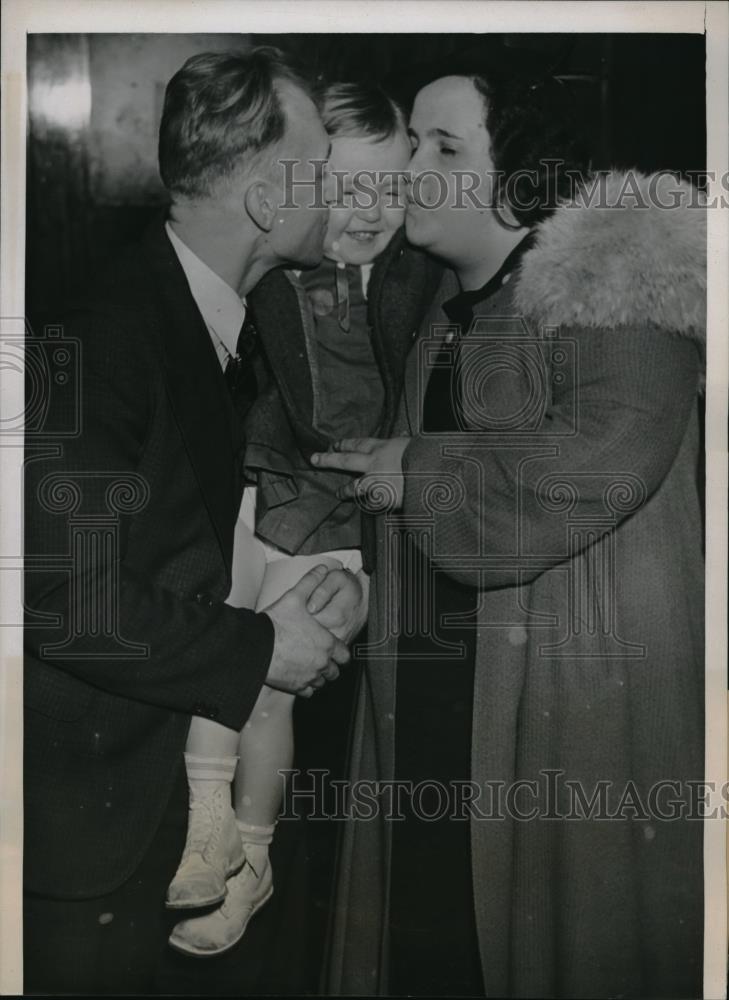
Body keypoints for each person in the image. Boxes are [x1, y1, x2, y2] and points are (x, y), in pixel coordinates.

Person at [317, 73, 705, 998]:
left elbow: (599, 457)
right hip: (442, 708)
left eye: (443, 148)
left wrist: (415, 471)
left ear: (522, 179)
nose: (409, 165)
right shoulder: (440, 313)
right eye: (411, 140)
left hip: (566, 716)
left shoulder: (612, 294)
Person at [23, 48, 364, 994]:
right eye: (322, 172)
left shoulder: (205, 317)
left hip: (143, 810)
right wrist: (265, 651)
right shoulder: (102, 337)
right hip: (86, 838)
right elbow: (62, 593)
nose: (343, 195)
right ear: (264, 198)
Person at [163, 81, 415, 958]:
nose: (369, 210)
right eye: (343, 188)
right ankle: (207, 824)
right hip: (260, 490)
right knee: (221, 640)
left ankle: (254, 854)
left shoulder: (410, 283)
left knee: (272, 684)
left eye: (392, 186)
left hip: (338, 514)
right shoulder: (282, 272)